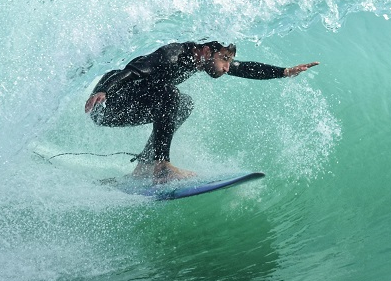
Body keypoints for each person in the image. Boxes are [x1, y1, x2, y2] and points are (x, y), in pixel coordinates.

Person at [84, 41, 318, 182]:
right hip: (107, 105)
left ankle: (145, 166)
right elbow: (131, 71)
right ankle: (162, 166)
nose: (227, 67)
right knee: (171, 95)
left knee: (183, 104)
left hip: (129, 103)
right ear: (207, 51)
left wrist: (284, 72)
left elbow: (244, 68)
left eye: (229, 61)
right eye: (224, 59)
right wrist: (104, 90)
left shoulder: (200, 60)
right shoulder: (173, 55)